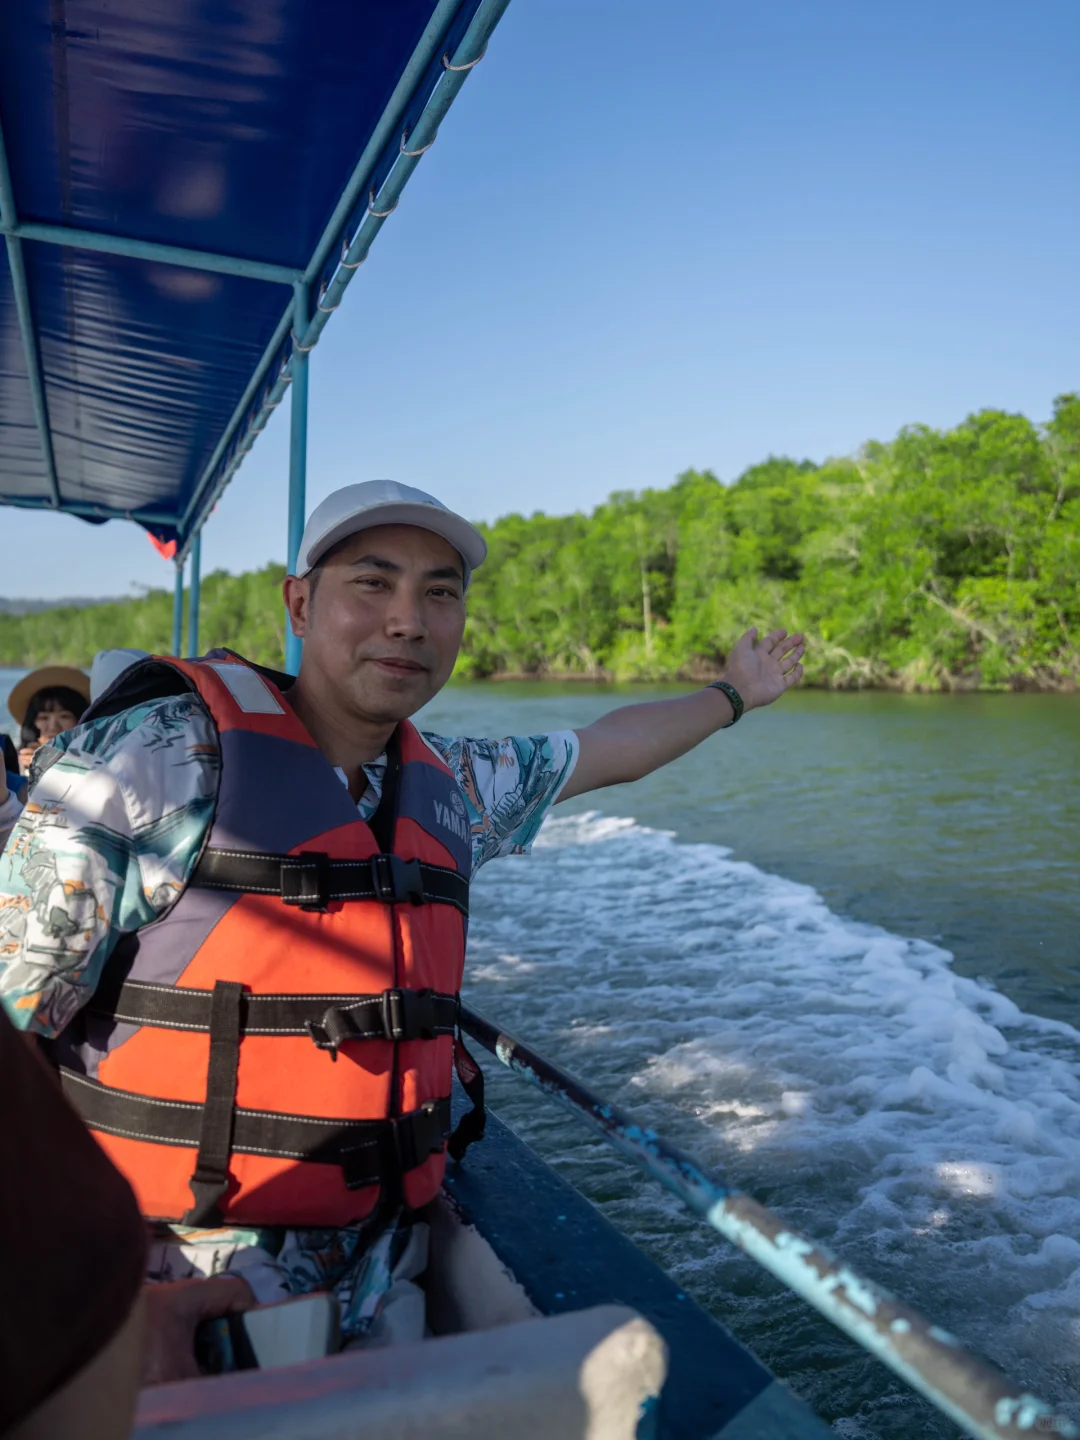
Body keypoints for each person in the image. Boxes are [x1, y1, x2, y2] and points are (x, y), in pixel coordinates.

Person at [0, 479, 805, 1380]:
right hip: (158, 1290)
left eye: (440, 592)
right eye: (373, 583)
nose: (408, 621)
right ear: (300, 605)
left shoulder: (454, 784)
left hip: (380, 1292)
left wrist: (733, 693)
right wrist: (71, 1292)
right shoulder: (154, 758)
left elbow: (606, 747)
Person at [7, 665, 91, 774]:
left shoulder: (97, 760)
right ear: (32, 722)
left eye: (64, 716)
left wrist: (48, 764)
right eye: (44, 718)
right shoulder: (13, 761)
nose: (53, 727)